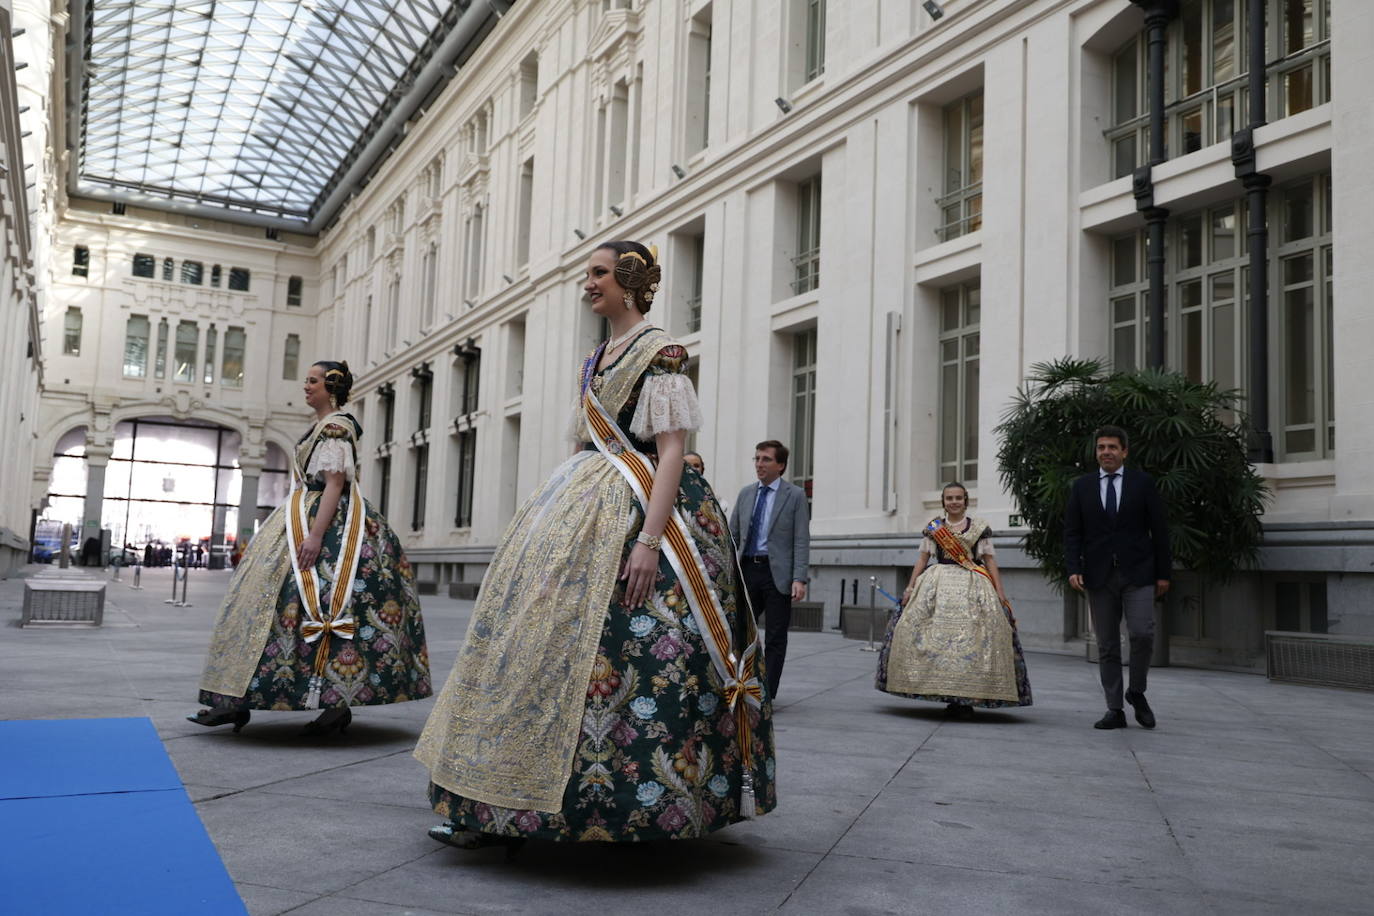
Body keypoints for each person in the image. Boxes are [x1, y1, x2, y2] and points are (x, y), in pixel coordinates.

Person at [416, 240, 775, 850]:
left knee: (631, 658)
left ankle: (630, 805)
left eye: (599, 273)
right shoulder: (595, 359)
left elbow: (669, 452)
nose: (589, 283)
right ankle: (493, 800)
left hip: (644, 513)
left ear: (630, 282)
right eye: (588, 274)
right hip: (581, 503)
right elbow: (586, 445)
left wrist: (649, 540)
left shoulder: (661, 353)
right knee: (528, 643)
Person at [189, 361, 431, 735]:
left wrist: (316, 537)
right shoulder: (322, 427)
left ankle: (333, 706)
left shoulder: (337, 426)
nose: (305, 386)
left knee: (330, 604)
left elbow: (334, 484)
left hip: (328, 524)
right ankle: (232, 699)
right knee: (258, 605)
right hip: (301, 514)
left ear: (330, 388)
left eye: (312, 381)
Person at [875, 482, 1031, 717]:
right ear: (943, 501)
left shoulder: (979, 528)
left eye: (959, 498)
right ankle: (939, 691)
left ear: (966, 501)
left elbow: (989, 561)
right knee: (914, 629)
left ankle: (966, 699)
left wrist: (1000, 591)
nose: (954, 502)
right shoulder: (935, 528)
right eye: (950, 498)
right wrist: (910, 586)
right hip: (937, 583)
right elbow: (922, 559)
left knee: (979, 638)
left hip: (973, 584)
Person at [1064, 425, 1171, 730]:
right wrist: (1074, 567)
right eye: (1101, 447)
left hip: (1138, 572)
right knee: (1107, 644)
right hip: (1098, 576)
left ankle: (1136, 692)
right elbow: (1072, 532)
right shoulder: (1082, 486)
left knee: (1142, 633)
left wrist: (1163, 573)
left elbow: (1160, 531)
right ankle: (1114, 709)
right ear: (1095, 452)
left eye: (1112, 447)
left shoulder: (1142, 483)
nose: (1106, 452)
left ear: (1125, 451)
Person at [729, 441, 810, 702]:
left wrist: (799, 578)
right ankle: (740, 684)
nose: (759, 464)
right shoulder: (745, 494)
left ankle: (767, 693)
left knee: (776, 636)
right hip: (747, 571)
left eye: (765, 459)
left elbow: (801, 539)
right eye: (756, 459)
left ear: (780, 465)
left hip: (778, 576)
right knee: (740, 631)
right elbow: (733, 536)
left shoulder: (795, 495)